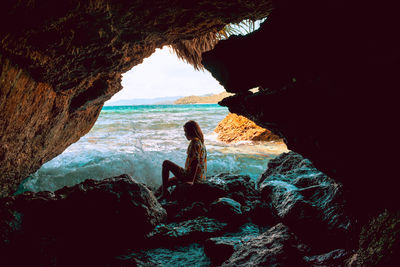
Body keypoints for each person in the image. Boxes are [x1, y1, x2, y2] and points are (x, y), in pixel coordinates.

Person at [159, 120, 207, 199]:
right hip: (200, 178)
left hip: (192, 178)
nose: (185, 134)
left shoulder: (194, 142)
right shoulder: (201, 143)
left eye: (185, 131)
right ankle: (162, 192)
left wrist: (190, 181)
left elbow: (195, 162)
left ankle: (164, 193)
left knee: (166, 163)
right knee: (167, 183)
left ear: (191, 131)